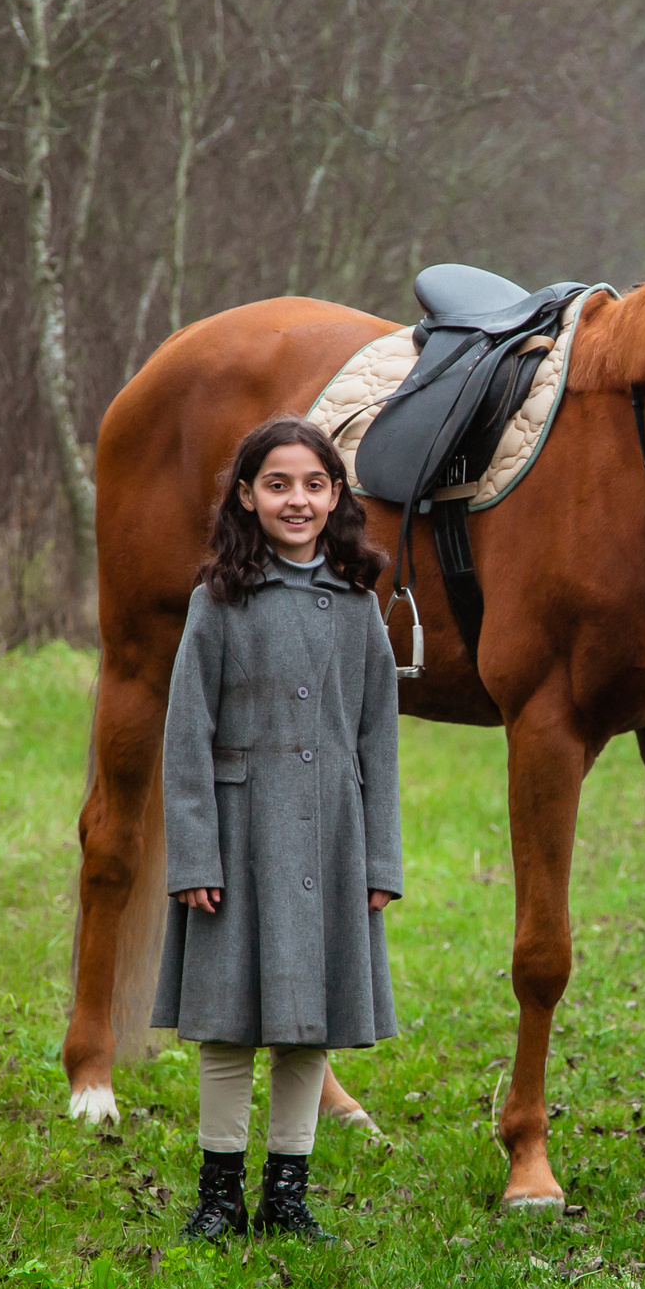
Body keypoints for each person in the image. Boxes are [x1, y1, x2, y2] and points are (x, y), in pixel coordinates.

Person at [156, 416, 404, 1244]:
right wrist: (193, 851)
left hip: (330, 840)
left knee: (311, 1018)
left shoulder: (360, 605)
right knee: (227, 1017)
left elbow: (379, 739)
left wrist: (379, 857)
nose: (296, 499)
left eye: (313, 484)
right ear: (246, 496)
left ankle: (287, 1193)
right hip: (237, 836)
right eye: (277, 484)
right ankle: (219, 1193)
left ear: (336, 496)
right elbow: (185, 732)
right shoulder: (217, 601)